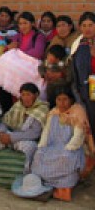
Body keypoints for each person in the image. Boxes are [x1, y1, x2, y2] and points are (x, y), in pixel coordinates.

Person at [31, 87, 95, 202]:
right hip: (53, 147)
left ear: (71, 100)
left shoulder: (77, 113)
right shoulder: (53, 113)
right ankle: (45, 186)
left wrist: (67, 149)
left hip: (72, 149)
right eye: (59, 99)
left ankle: (62, 188)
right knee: (38, 154)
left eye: (65, 99)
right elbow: (46, 132)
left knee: (65, 158)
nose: (62, 103)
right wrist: (41, 146)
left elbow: (78, 136)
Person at [0, 12, 46, 98]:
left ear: (32, 24)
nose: (22, 26)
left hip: (30, 66)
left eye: (25, 23)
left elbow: (38, 52)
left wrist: (19, 52)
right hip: (15, 68)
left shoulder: (38, 36)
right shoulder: (17, 36)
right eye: (20, 24)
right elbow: (7, 52)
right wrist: (9, 47)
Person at [0, 83, 49, 172]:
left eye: (28, 95)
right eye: (23, 95)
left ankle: (23, 173)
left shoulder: (42, 109)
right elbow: (4, 121)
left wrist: (11, 138)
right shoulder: (18, 106)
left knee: (28, 147)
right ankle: (2, 172)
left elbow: (34, 133)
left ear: (36, 95)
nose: (25, 98)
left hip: (30, 140)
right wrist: (1, 133)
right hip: (12, 136)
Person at [71, 11, 95, 140]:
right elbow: (75, 73)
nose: (87, 29)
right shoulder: (78, 45)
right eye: (84, 25)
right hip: (88, 90)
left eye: (91, 25)